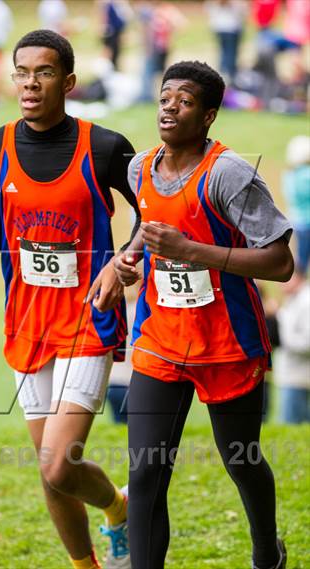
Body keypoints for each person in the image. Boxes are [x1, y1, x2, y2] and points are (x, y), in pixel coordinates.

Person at [0, 29, 140, 569]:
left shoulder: (105, 147)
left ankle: (119, 507)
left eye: (43, 72)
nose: (29, 82)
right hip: (27, 323)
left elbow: (152, 213)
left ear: (67, 82)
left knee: (57, 463)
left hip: (88, 320)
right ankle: (87, 563)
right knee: (49, 468)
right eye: (21, 72)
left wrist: (122, 264)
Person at [114, 61, 293, 569]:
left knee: (242, 460)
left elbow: (280, 262)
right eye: (165, 96)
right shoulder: (140, 167)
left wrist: (191, 250)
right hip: (160, 341)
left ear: (209, 114)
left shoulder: (228, 174)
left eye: (185, 100)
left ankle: (265, 551)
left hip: (227, 343)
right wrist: (130, 260)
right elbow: (146, 229)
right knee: (146, 471)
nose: (170, 106)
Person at [274, 270, 310, 424]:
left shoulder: (306, 301)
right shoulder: (293, 299)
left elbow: (307, 343)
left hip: (299, 378)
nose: (280, 283)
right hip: (292, 376)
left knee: (291, 426)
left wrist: (280, 318)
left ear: (299, 277)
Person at [282, 135, 310, 274]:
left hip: (295, 220)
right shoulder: (306, 174)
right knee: (303, 261)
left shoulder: (289, 174)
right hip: (307, 222)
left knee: (301, 256)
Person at [205, 0, 247, 84]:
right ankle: (229, 75)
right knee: (231, 53)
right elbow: (242, 12)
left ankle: (223, 72)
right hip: (231, 28)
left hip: (219, 28)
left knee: (224, 51)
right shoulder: (235, 3)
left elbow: (209, 10)